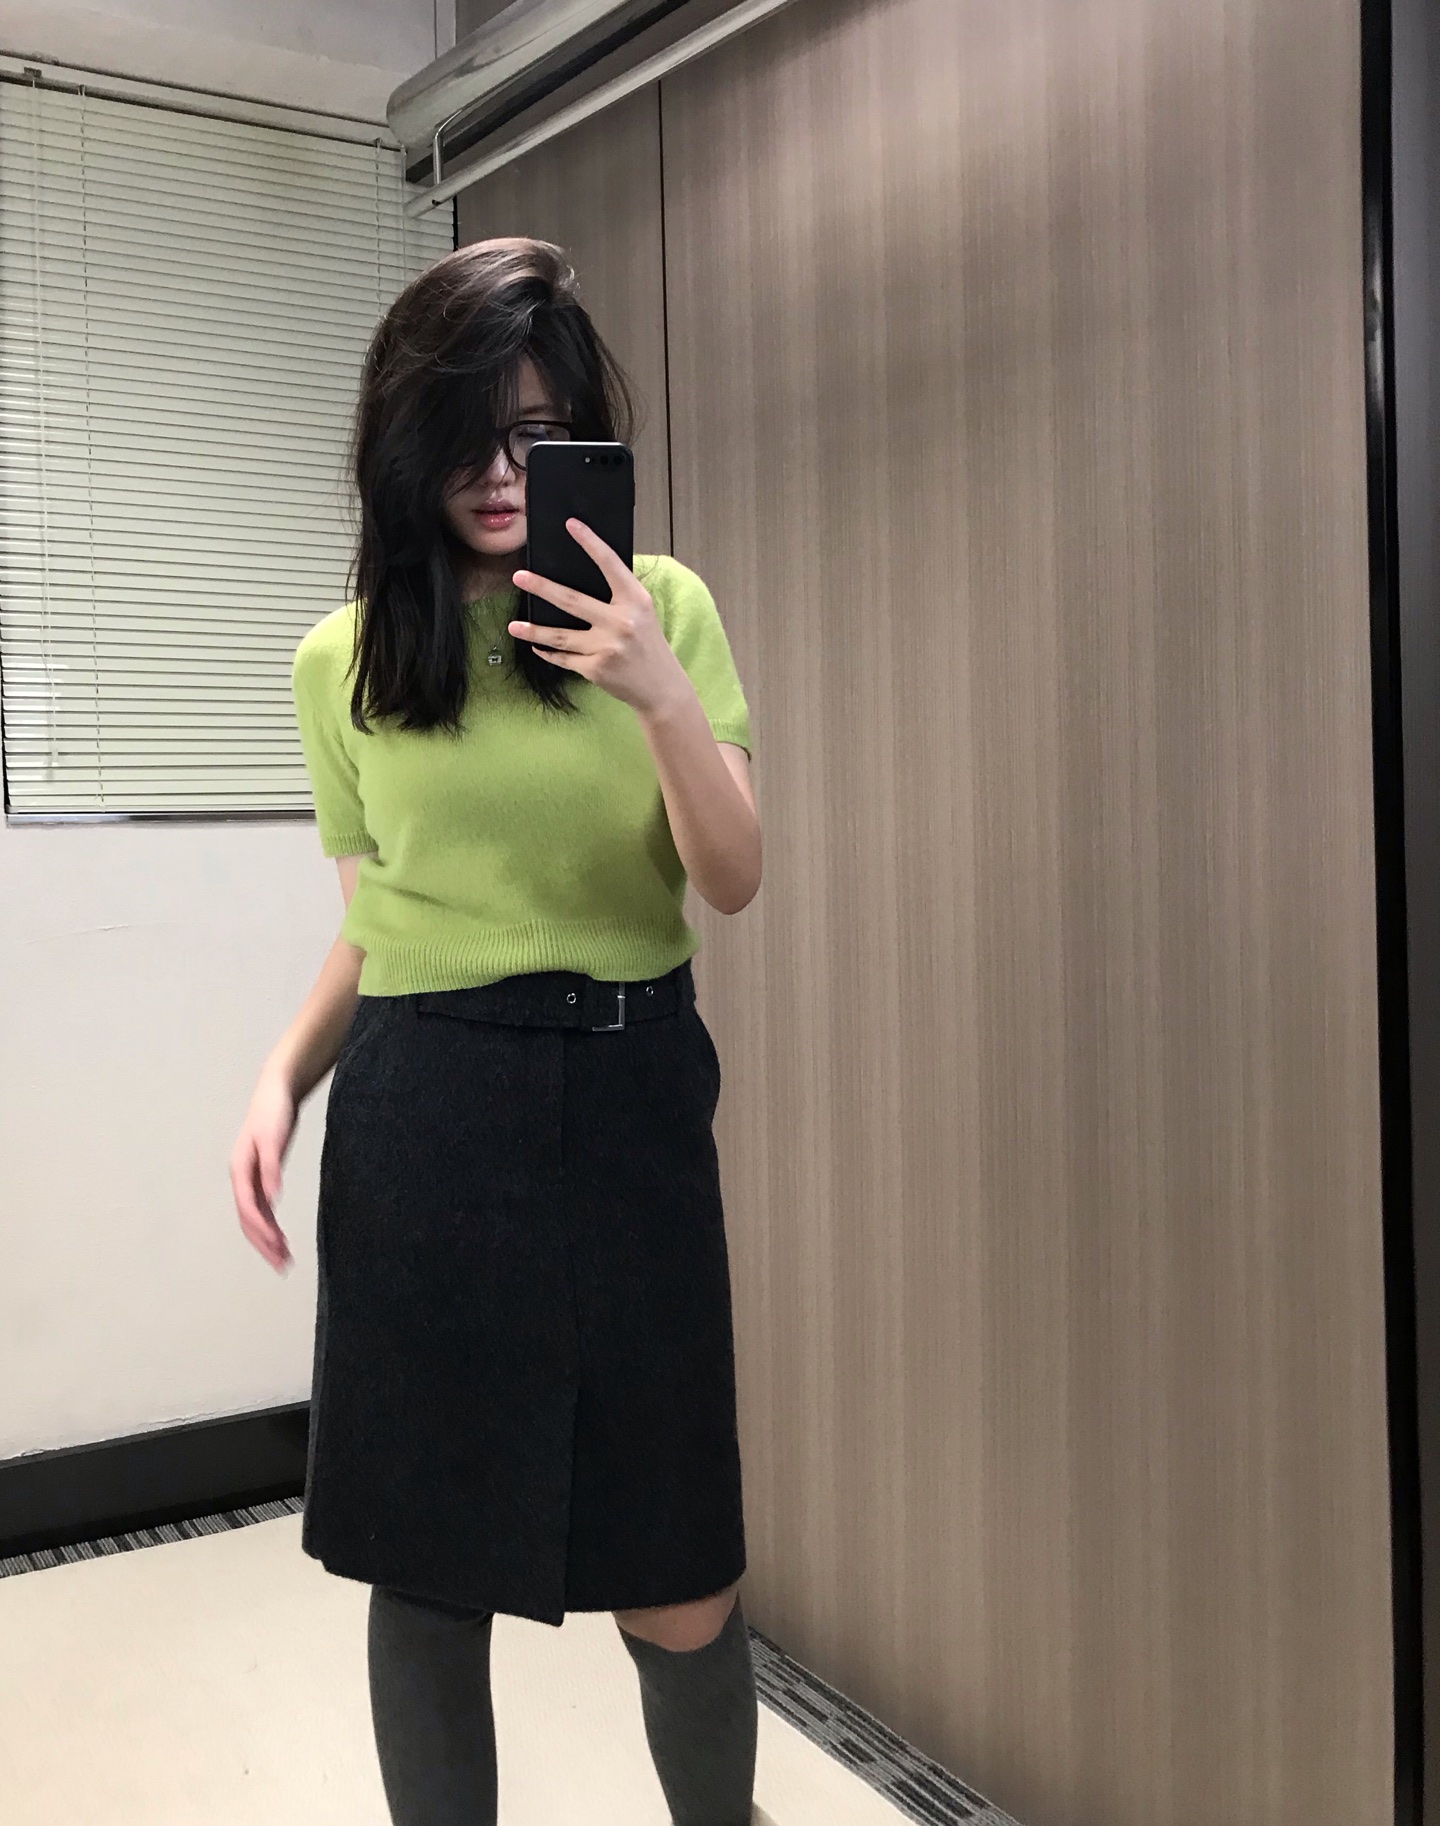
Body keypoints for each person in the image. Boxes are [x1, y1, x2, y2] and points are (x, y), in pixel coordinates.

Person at [229, 237, 774, 1826]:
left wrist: (658, 691)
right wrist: (280, 1074)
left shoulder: (664, 607)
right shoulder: (342, 661)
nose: (499, 472)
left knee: (677, 1562)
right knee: (428, 1564)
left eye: (537, 434)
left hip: (630, 1103)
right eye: (466, 433)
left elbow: (732, 875)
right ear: (405, 443)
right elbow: (381, 925)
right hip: (426, 1118)